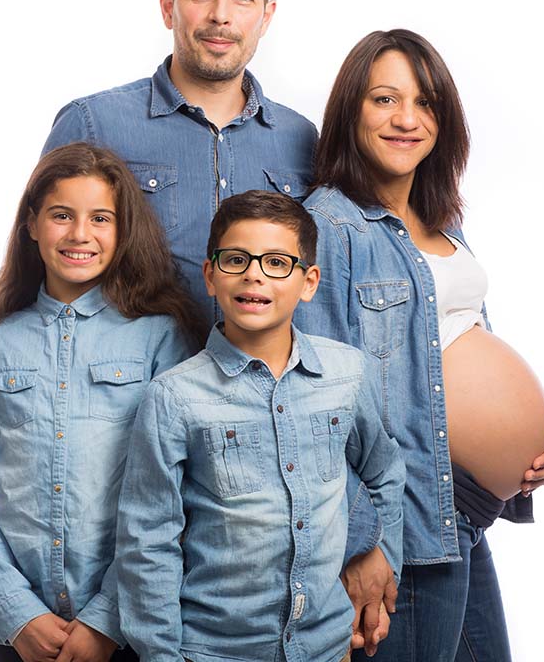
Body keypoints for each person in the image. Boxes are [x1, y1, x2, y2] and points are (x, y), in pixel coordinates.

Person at [0, 0, 318, 583]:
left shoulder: (303, 142)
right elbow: (31, 275)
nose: (220, 17)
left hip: (263, 448)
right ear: (169, 5)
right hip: (120, 448)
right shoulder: (94, 122)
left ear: (267, 14)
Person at [295, 29, 544, 661]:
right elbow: (313, 401)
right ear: (350, 112)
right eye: (384, 100)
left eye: (426, 103)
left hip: (465, 512)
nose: (407, 120)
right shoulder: (328, 227)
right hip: (403, 520)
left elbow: (468, 334)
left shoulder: (446, 218)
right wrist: (361, 541)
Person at [115, 191, 405, 662]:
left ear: (308, 282)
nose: (254, 274)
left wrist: (384, 557)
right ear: (210, 275)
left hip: (327, 647)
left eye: (276, 262)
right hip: (214, 650)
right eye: (236, 260)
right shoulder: (173, 396)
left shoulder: (348, 373)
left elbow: (385, 472)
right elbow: (148, 542)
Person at [0, 143, 203, 662]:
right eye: (61, 215)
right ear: (32, 224)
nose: (79, 234)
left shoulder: (160, 338)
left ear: (123, 229)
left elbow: (176, 489)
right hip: (22, 633)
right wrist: (17, 612)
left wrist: (106, 618)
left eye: (101, 218)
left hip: (130, 627)